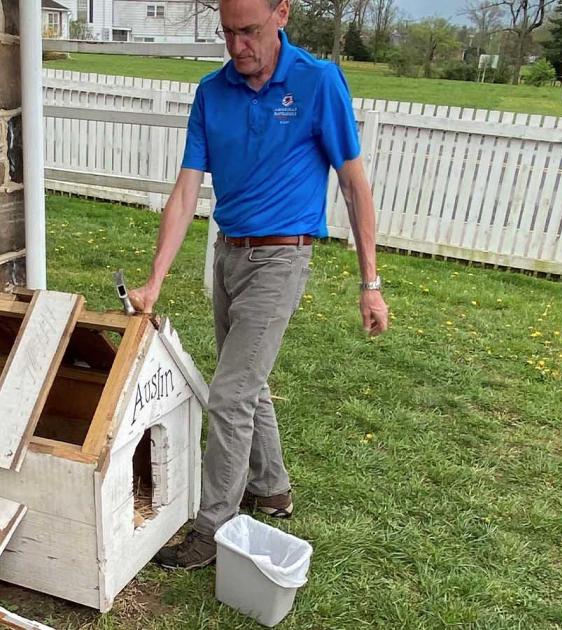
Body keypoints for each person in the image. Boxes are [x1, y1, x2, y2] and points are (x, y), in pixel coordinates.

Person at [127, 0, 390, 569]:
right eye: (227, 32)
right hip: (229, 255)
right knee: (245, 381)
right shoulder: (211, 92)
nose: (237, 45)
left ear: (282, 14)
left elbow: (354, 186)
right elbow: (184, 192)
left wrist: (370, 282)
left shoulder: (319, 83)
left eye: (249, 31)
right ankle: (271, 487)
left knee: (229, 394)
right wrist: (154, 281)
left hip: (282, 259)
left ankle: (211, 526)